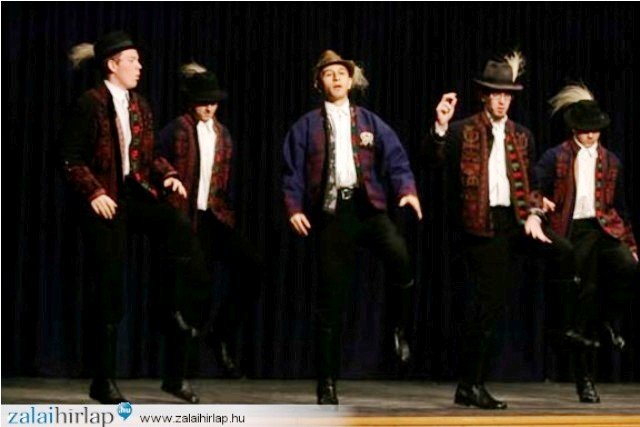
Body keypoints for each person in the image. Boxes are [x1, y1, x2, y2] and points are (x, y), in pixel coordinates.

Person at [62, 31, 201, 403]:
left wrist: (168, 174)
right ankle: (102, 380)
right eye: (132, 61)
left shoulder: (140, 104)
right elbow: (70, 158)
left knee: (177, 224)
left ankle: (167, 310)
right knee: (110, 288)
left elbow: (149, 154)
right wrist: (94, 192)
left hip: (135, 194)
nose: (139, 67)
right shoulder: (90, 103)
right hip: (106, 197)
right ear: (113, 65)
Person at [282, 50, 422, 405]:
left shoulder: (370, 122)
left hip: (368, 207)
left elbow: (397, 160)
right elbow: (291, 172)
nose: (336, 78)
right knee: (330, 300)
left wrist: (406, 191)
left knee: (401, 260)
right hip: (333, 214)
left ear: (350, 80)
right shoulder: (306, 126)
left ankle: (398, 327)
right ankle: (327, 383)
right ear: (319, 83)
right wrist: (294, 208)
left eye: (341, 73)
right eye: (329, 74)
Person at [425, 52, 551, 409]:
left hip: (517, 222)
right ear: (484, 96)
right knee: (488, 306)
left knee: (566, 252)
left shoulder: (522, 135)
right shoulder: (463, 130)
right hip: (482, 226)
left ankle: (570, 328)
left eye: (507, 95)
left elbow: (532, 183)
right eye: (496, 94)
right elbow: (433, 163)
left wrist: (535, 211)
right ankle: (471, 385)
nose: (501, 100)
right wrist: (440, 126)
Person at [535, 83, 638, 403]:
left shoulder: (611, 161)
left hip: (604, 228)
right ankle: (585, 379)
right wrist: (539, 203)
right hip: (573, 231)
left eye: (596, 129)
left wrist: (632, 244)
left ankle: (608, 318)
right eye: (586, 129)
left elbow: (620, 206)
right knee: (582, 303)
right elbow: (532, 185)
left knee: (628, 265)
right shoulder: (557, 156)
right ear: (575, 129)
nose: (591, 135)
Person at [159, 63, 264, 378]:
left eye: (213, 102)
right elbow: (154, 156)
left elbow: (222, 179)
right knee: (198, 287)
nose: (208, 107)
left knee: (252, 266)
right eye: (203, 102)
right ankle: (185, 364)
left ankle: (220, 333)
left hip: (215, 215)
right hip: (187, 217)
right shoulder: (177, 128)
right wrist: (169, 175)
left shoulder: (223, 134)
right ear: (191, 101)